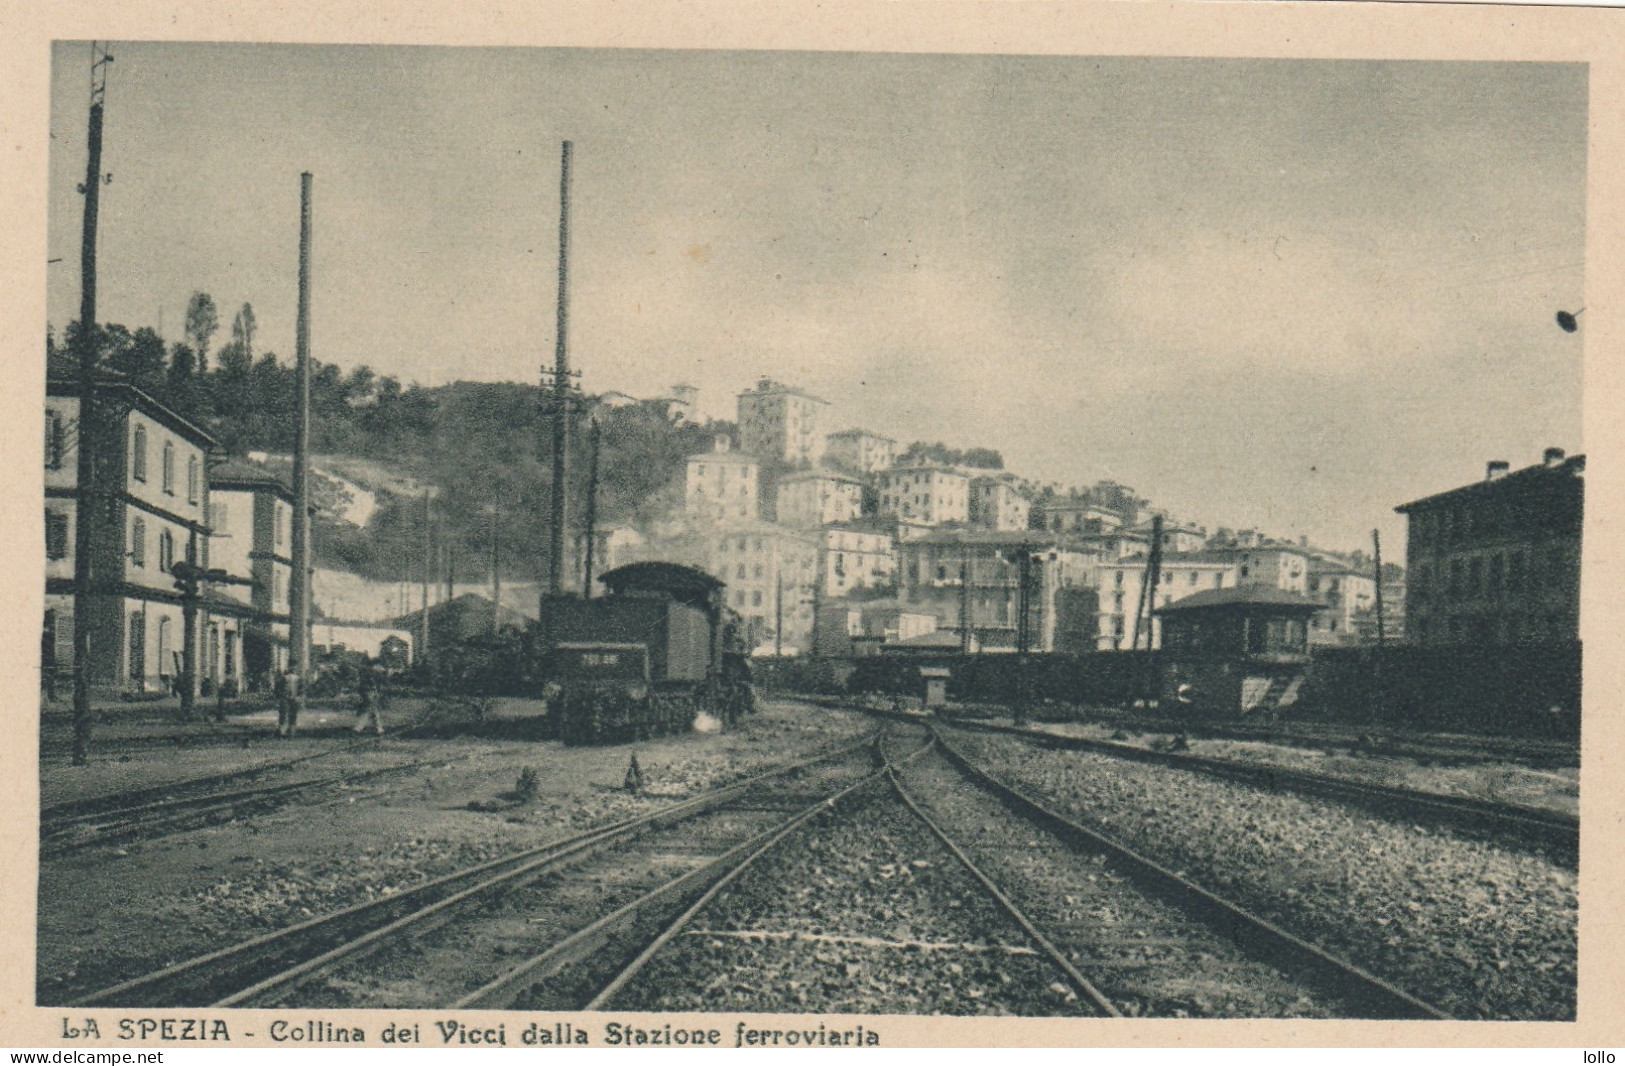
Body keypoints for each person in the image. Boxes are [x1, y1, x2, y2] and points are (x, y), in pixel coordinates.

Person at [354, 663, 385, 736]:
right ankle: (378, 729)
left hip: (370, 694)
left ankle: (378, 729)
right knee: (372, 711)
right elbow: (366, 688)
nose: (380, 675)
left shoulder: (371, 679)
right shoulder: (370, 679)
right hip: (369, 694)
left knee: (371, 711)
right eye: (379, 673)